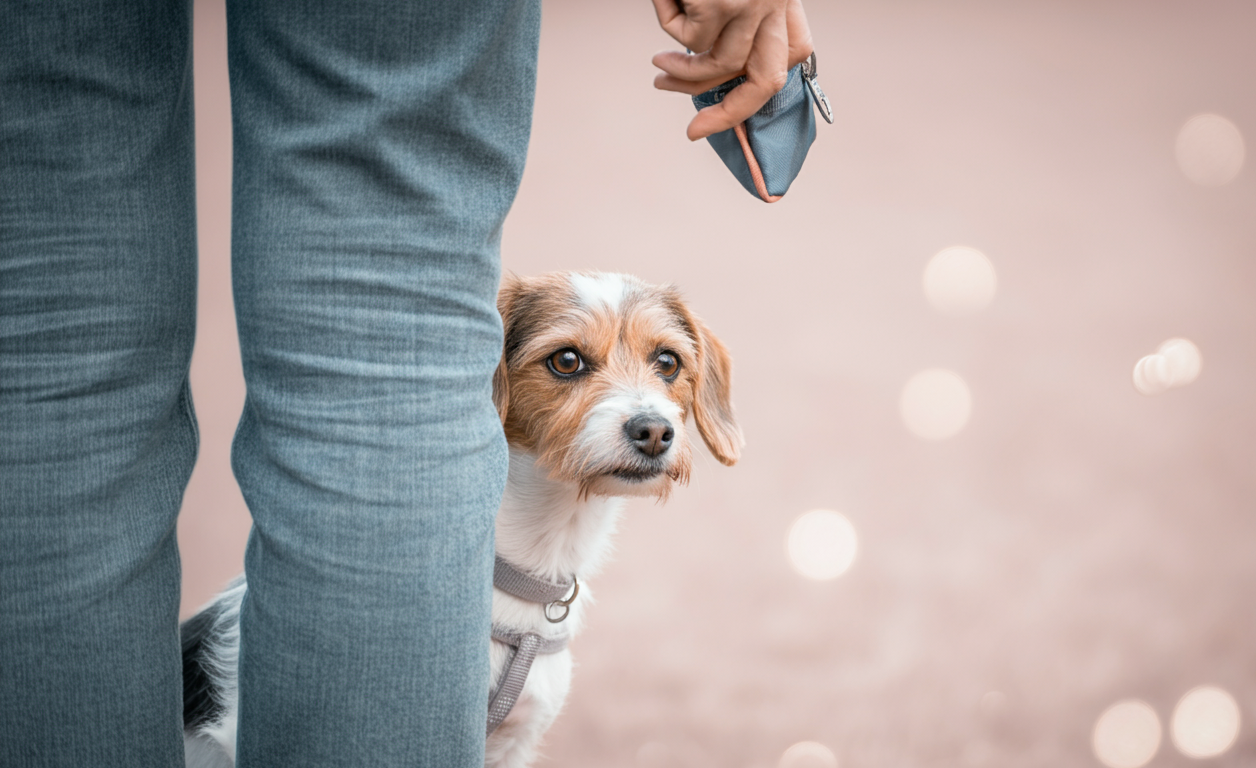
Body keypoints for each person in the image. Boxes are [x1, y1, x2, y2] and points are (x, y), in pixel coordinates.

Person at [0, 0, 811, 766]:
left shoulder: (545, 632)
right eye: (569, 361)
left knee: (54, 332)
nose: (650, 413)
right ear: (492, 374)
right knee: (385, 316)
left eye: (667, 366)